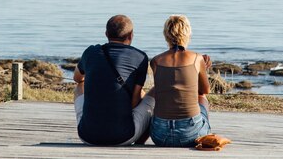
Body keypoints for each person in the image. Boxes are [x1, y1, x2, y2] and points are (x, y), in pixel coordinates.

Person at [73, 14, 154, 145]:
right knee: (153, 93)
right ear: (131, 35)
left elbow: (77, 78)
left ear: (106, 33)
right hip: (123, 137)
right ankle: (139, 141)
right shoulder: (140, 57)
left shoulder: (90, 52)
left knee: (80, 86)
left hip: (87, 136)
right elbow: (134, 102)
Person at [149, 14, 211, 147]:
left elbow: (163, 86)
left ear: (166, 34)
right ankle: (203, 129)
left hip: (160, 135)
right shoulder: (196, 58)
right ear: (188, 33)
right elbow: (205, 90)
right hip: (191, 135)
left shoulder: (155, 61)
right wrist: (202, 70)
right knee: (201, 97)